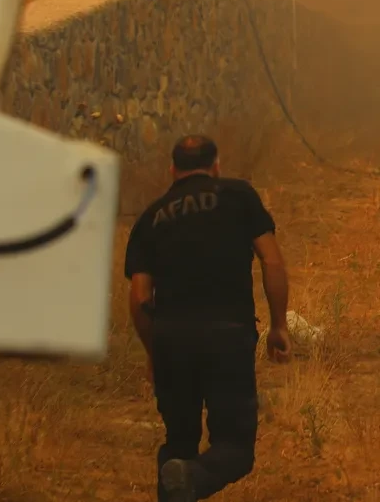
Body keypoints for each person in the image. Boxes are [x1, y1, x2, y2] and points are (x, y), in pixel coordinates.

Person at [124, 136, 291, 502]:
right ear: (216, 166)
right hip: (228, 336)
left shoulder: (151, 217)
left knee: (178, 444)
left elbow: (139, 298)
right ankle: (194, 478)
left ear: (173, 171)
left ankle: (181, 476)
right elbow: (272, 261)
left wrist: (155, 351)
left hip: (171, 340)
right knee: (234, 448)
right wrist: (278, 325)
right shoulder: (238, 195)